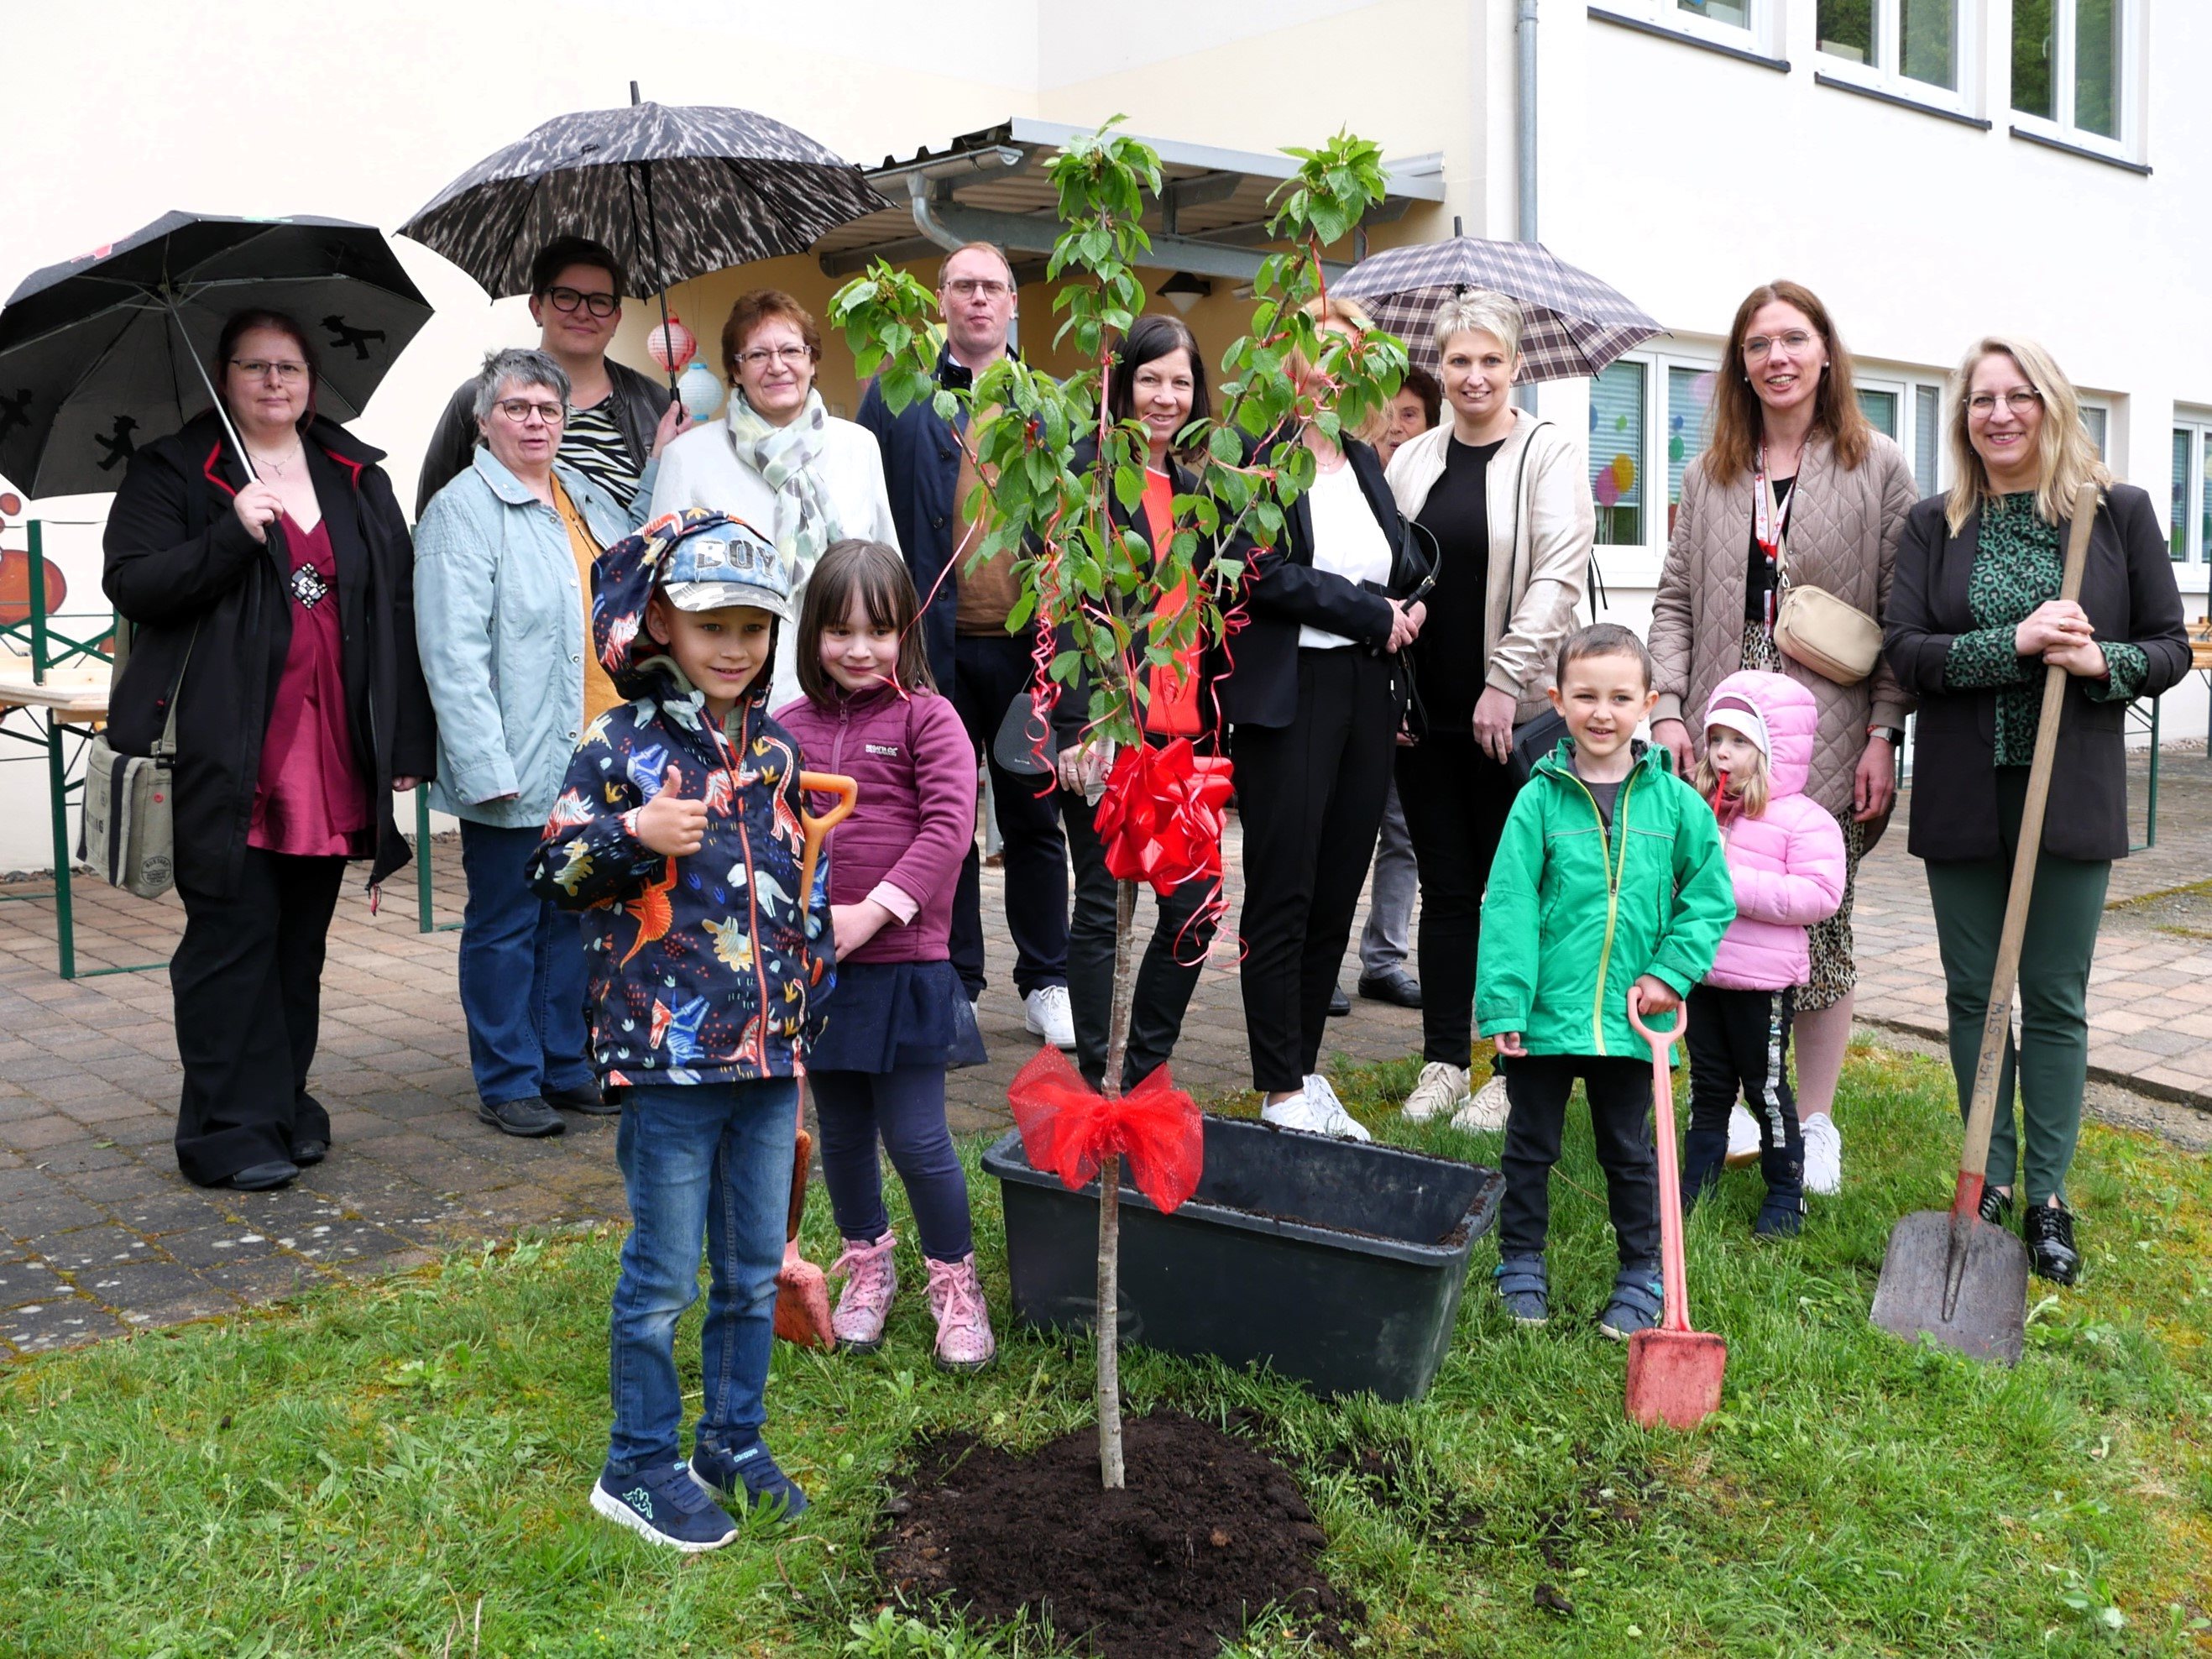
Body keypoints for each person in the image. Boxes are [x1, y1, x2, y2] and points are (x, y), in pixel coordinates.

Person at [526, 509, 830, 1548]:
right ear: (660, 619)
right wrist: (630, 833)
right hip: (668, 1063)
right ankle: (638, 1462)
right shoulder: (621, 744)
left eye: (753, 623)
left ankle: (731, 1440)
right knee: (662, 1277)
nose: (735, 645)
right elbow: (552, 872)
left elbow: (799, 899)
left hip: (766, 1059)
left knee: (752, 1271)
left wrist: (803, 1016)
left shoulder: (778, 748)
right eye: (712, 623)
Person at [103, 309, 435, 1193]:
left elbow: (394, 605)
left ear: (311, 380)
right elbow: (134, 584)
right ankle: (224, 1127)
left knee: (298, 940)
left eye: (289, 367)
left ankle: (283, 1101)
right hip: (227, 750)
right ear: (226, 374)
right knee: (229, 936)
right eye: (254, 368)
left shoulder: (355, 473)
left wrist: (405, 738)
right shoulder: (176, 469)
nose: (274, 383)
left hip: (331, 749)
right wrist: (227, 533)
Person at [1884, 336, 2187, 1286]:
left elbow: (2170, 646)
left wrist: (2106, 666)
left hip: (2070, 785)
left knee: (2054, 996)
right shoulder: (1934, 523)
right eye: (1981, 400)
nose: (2000, 415)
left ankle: (2049, 1194)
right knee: (1975, 994)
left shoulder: (2117, 514)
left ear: (2054, 407)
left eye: (2019, 397)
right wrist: (2012, 642)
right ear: (1962, 416)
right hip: (1966, 789)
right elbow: (1906, 651)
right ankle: (1993, 1178)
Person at [1647, 280, 1917, 1197]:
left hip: (1827, 735)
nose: (1776, 358)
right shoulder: (1712, 468)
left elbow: (1899, 614)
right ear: (1740, 362)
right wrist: (1668, 713)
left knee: (1816, 926)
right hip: (1722, 739)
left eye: (1792, 340)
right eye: (1758, 344)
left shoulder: (1876, 463)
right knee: (1715, 919)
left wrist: (1885, 729)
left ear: (1825, 353)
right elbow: (1676, 600)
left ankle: (1813, 1118)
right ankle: (1725, 1104)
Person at [416, 348, 655, 1139]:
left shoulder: (577, 494)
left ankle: (563, 1064)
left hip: (588, 755)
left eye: (548, 410)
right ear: (482, 421)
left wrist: (661, 459)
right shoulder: (461, 512)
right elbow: (450, 655)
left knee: (571, 917)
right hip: (513, 761)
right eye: (516, 408)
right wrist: (484, 768)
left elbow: (631, 556)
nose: (534, 422)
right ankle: (508, 1079)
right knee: (506, 924)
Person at [774, 540, 993, 1369]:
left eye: (878, 629)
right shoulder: (785, 729)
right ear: (812, 636)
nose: (859, 648)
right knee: (841, 1132)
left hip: (902, 964)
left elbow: (948, 829)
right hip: (820, 974)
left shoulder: (925, 718)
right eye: (839, 631)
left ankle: (955, 1283)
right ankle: (868, 1266)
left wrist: (870, 912)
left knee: (917, 1136)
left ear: (906, 629)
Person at [1478, 625, 1734, 1335]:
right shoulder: (1538, 800)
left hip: (1632, 1017)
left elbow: (1708, 896)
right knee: (1529, 1145)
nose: (1601, 712)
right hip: (1544, 1014)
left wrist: (1670, 973)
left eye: (1620, 697)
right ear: (1556, 701)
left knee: (1629, 1151)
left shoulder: (1675, 804)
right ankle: (1520, 1261)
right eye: (1585, 696)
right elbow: (1508, 903)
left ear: (1647, 703)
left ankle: (1640, 1271)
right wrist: (1504, 1001)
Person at [857, 242, 1075, 1050]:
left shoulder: (1048, 402)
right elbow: (868, 520)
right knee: (941, 819)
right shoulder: (894, 394)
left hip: (1025, 654)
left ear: (1014, 302)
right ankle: (954, 980)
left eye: (992, 287)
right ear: (939, 301)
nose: (977, 300)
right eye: (962, 287)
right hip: (927, 655)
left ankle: (1047, 979)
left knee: (1030, 815)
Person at [1225, 295, 1430, 1141]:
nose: (1336, 365)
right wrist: (1370, 611)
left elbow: (1393, 558)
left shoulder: (1359, 457)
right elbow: (1260, 574)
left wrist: (1407, 602)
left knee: (1336, 889)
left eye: (1352, 351)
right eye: (1320, 349)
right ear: (1286, 360)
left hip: (1365, 693)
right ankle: (1275, 1086)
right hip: (1290, 694)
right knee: (1283, 889)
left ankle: (1304, 1073)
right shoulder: (1252, 459)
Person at [1386, 290, 1590, 1131]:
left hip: (1508, 716)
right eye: (1459, 360)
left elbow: (1557, 573)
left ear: (1514, 367)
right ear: (1441, 366)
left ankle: (1513, 1067)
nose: (1473, 376)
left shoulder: (1547, 451)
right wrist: (1391, 681)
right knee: (1445, 888)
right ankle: (1441, 1059)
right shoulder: (1411, 458)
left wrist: (1505, 680)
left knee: (1518, 892)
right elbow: (1387, 570)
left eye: (1489, 361)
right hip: (1424, 714)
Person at [1051, 316, 1225, 1094]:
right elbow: (1066, 618)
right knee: (1101, 906)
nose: (1164, 396)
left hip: (1181, 738)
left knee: (1196, 908)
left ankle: (1140, 1067)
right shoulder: (1087, 482)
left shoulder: (1195, 490)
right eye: (1149, 378)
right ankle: (1099, 1079)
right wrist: (1081, 726)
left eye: (1179, 381)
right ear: (1120, 385)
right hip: (1109, 730)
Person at [650, 290, 897, 707]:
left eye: (791, 351)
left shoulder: (859, 446)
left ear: (812, 360)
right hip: (732, 696)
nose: (777, 366)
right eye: (758, 355)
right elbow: (663, 587)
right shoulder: (688, 457)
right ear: (735, 369)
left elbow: (889, 571)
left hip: (849, 691)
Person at [1679, 672, 1845, 1238]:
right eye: (1715, 738)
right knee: (1708, 1090)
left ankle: (1783, 1192)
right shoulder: (1699, 810)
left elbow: (1818, 896)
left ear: (1773, 749)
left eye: (1739, 741)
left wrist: (1730, 881)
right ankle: (1693, 1189)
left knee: (1767, 1089)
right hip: (1702, 976)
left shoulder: (1804, 821)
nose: (1722, 753)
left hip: (1762, 985)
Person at [417, 235, 684, 515]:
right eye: (566, 297)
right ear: (537, 308)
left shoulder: (656, 405)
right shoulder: (478, 398)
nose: (583, 313)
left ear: (616, 317)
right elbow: (435, 511)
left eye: (600, 301)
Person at [1336, 363, 1444, 1018]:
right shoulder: (1345, 486)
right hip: (1351, 677)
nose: (1399, 428)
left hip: (1414, 681)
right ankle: (1317, 963)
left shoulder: (1435, 493)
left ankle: (1383, 959)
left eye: (1413, 416)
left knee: (1402, 831)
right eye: (1390, 415)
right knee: (1341, 826)